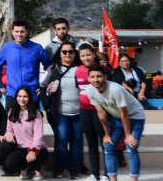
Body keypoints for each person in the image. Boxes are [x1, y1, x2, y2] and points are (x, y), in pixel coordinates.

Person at [85, 64, 146, 181]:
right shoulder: (89, 90)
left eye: (99, 76)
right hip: (117, 118)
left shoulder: (115, 89)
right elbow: (101, 114)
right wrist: (107, 135)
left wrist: (127, 135)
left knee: (131, 147)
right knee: (108, 146)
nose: (96, 80)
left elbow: (125, 114)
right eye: (92, 77)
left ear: (105, 77)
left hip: (135, 116)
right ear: (88, 78)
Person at [0, 20, 51, 108]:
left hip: (31, 93)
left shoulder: (36, 48)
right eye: (17, 31)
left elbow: (49, 67)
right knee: (11, 121)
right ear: (12, 32)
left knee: (32, 121)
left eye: (22, 31)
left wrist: (44, 86)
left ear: (27, 32)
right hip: (12, 93)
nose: (19, 34)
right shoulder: (7, 48)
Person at [40, 41, 81, 179]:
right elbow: (42, 86)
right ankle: (60, 168)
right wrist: (47, 105)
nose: (68, 54)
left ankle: (74, 168)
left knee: (77, 141)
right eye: (65, 51)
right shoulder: (53, 68)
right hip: (60, 112)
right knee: (62, 140)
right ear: (60, 53)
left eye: (71, 51)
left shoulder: (82, 69)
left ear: (75, 53)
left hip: (80, 113)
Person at [75, 42, 109, 181]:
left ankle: (107, 174)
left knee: (104, 143)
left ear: (94, 54)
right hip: (84, 111)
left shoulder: (103, 70)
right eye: (83, 56)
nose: (86, 58)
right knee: (91, 143)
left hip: (100, 111)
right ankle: (94, 174)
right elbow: (78, 89)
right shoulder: (77, 70)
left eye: (88, 54)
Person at [0, 86, 48, 180]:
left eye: (25, 96)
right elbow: (8, 129)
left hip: (37, 148)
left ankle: (38, 169)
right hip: (21, 148)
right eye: (19, 96)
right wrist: (8, 135)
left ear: (29, 98)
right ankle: (25, 168)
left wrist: (33, 151)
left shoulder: (36, 113)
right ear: (16, 97)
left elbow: (39, 135)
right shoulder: (12, 112)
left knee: (34, 158)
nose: (22, 99)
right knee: (10, 162)